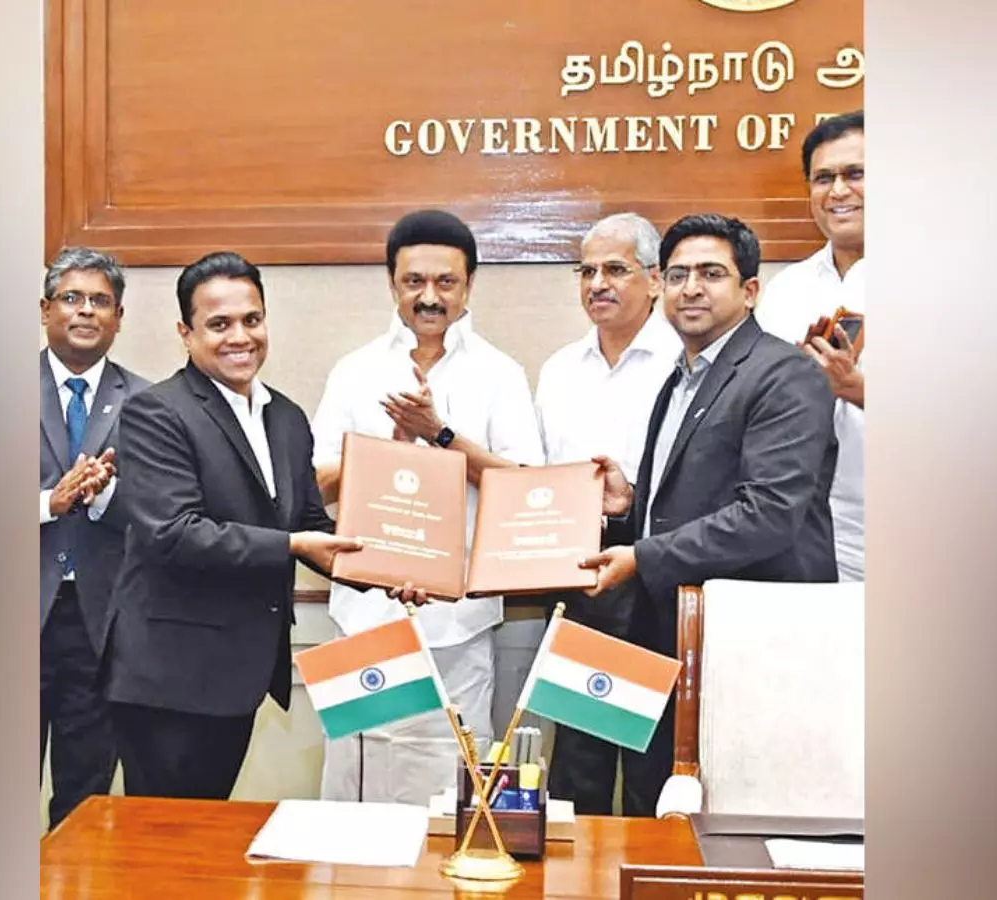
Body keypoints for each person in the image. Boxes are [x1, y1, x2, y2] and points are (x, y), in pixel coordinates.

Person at [580, 214, 840, 806]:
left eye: (711, 274)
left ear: (750, 290)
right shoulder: (680, 379)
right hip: (674, 635)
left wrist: (642, 556)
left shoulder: (785, 374)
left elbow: (769, 513)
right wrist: (631, 506)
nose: (691, 288)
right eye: (677, 275)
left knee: (733, 818)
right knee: (660, 808)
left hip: (747, 643)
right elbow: (691, 498)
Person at [104, 251, 363, 800]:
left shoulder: (286, 417)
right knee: (165, 840)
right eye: (219, 324)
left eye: (252, 319)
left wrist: (388, 571)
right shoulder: (156, 412)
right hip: (169, 678)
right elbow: (174, 532)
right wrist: (292, 543)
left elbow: (311, 524)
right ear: (186, 333)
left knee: (207, 831)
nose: (240, 337)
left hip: (240, 675)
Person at [310, 209, 544, 805]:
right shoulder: (355, 370)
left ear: (469, 285)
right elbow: (315, 487)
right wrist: (385, 456)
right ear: (392, 283)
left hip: (458, 624)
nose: (430, 297)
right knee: (357, 782)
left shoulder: (500, 374)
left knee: (451, 787)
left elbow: (523, 490)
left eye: (446, 282)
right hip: (365, 617)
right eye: (414, 281)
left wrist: (440, 436)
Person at [532, 213, 681, 817]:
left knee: (652, 770)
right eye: (586, 271)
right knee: (579, 768)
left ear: (654, 280)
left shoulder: (685, 363)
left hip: (655, 576)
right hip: (578, 578)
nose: (598, 284)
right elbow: (538, 479)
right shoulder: (559, 369)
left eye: (615, 269)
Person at [39, 246, 150, 828]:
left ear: (118, 317)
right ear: (45, 310)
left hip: (102, 625)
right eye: (71, 298)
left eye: (100, 301)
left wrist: (102, 496)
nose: (86, 311)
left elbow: (162, 513)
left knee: (84, 800)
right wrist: (47, 504)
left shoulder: (150, 403)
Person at [754, 110, 866, 580]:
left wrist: (856, 388)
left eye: (855, 174)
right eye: (823, 178)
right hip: (803, 537)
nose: (837, 191)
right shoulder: (786, 290)